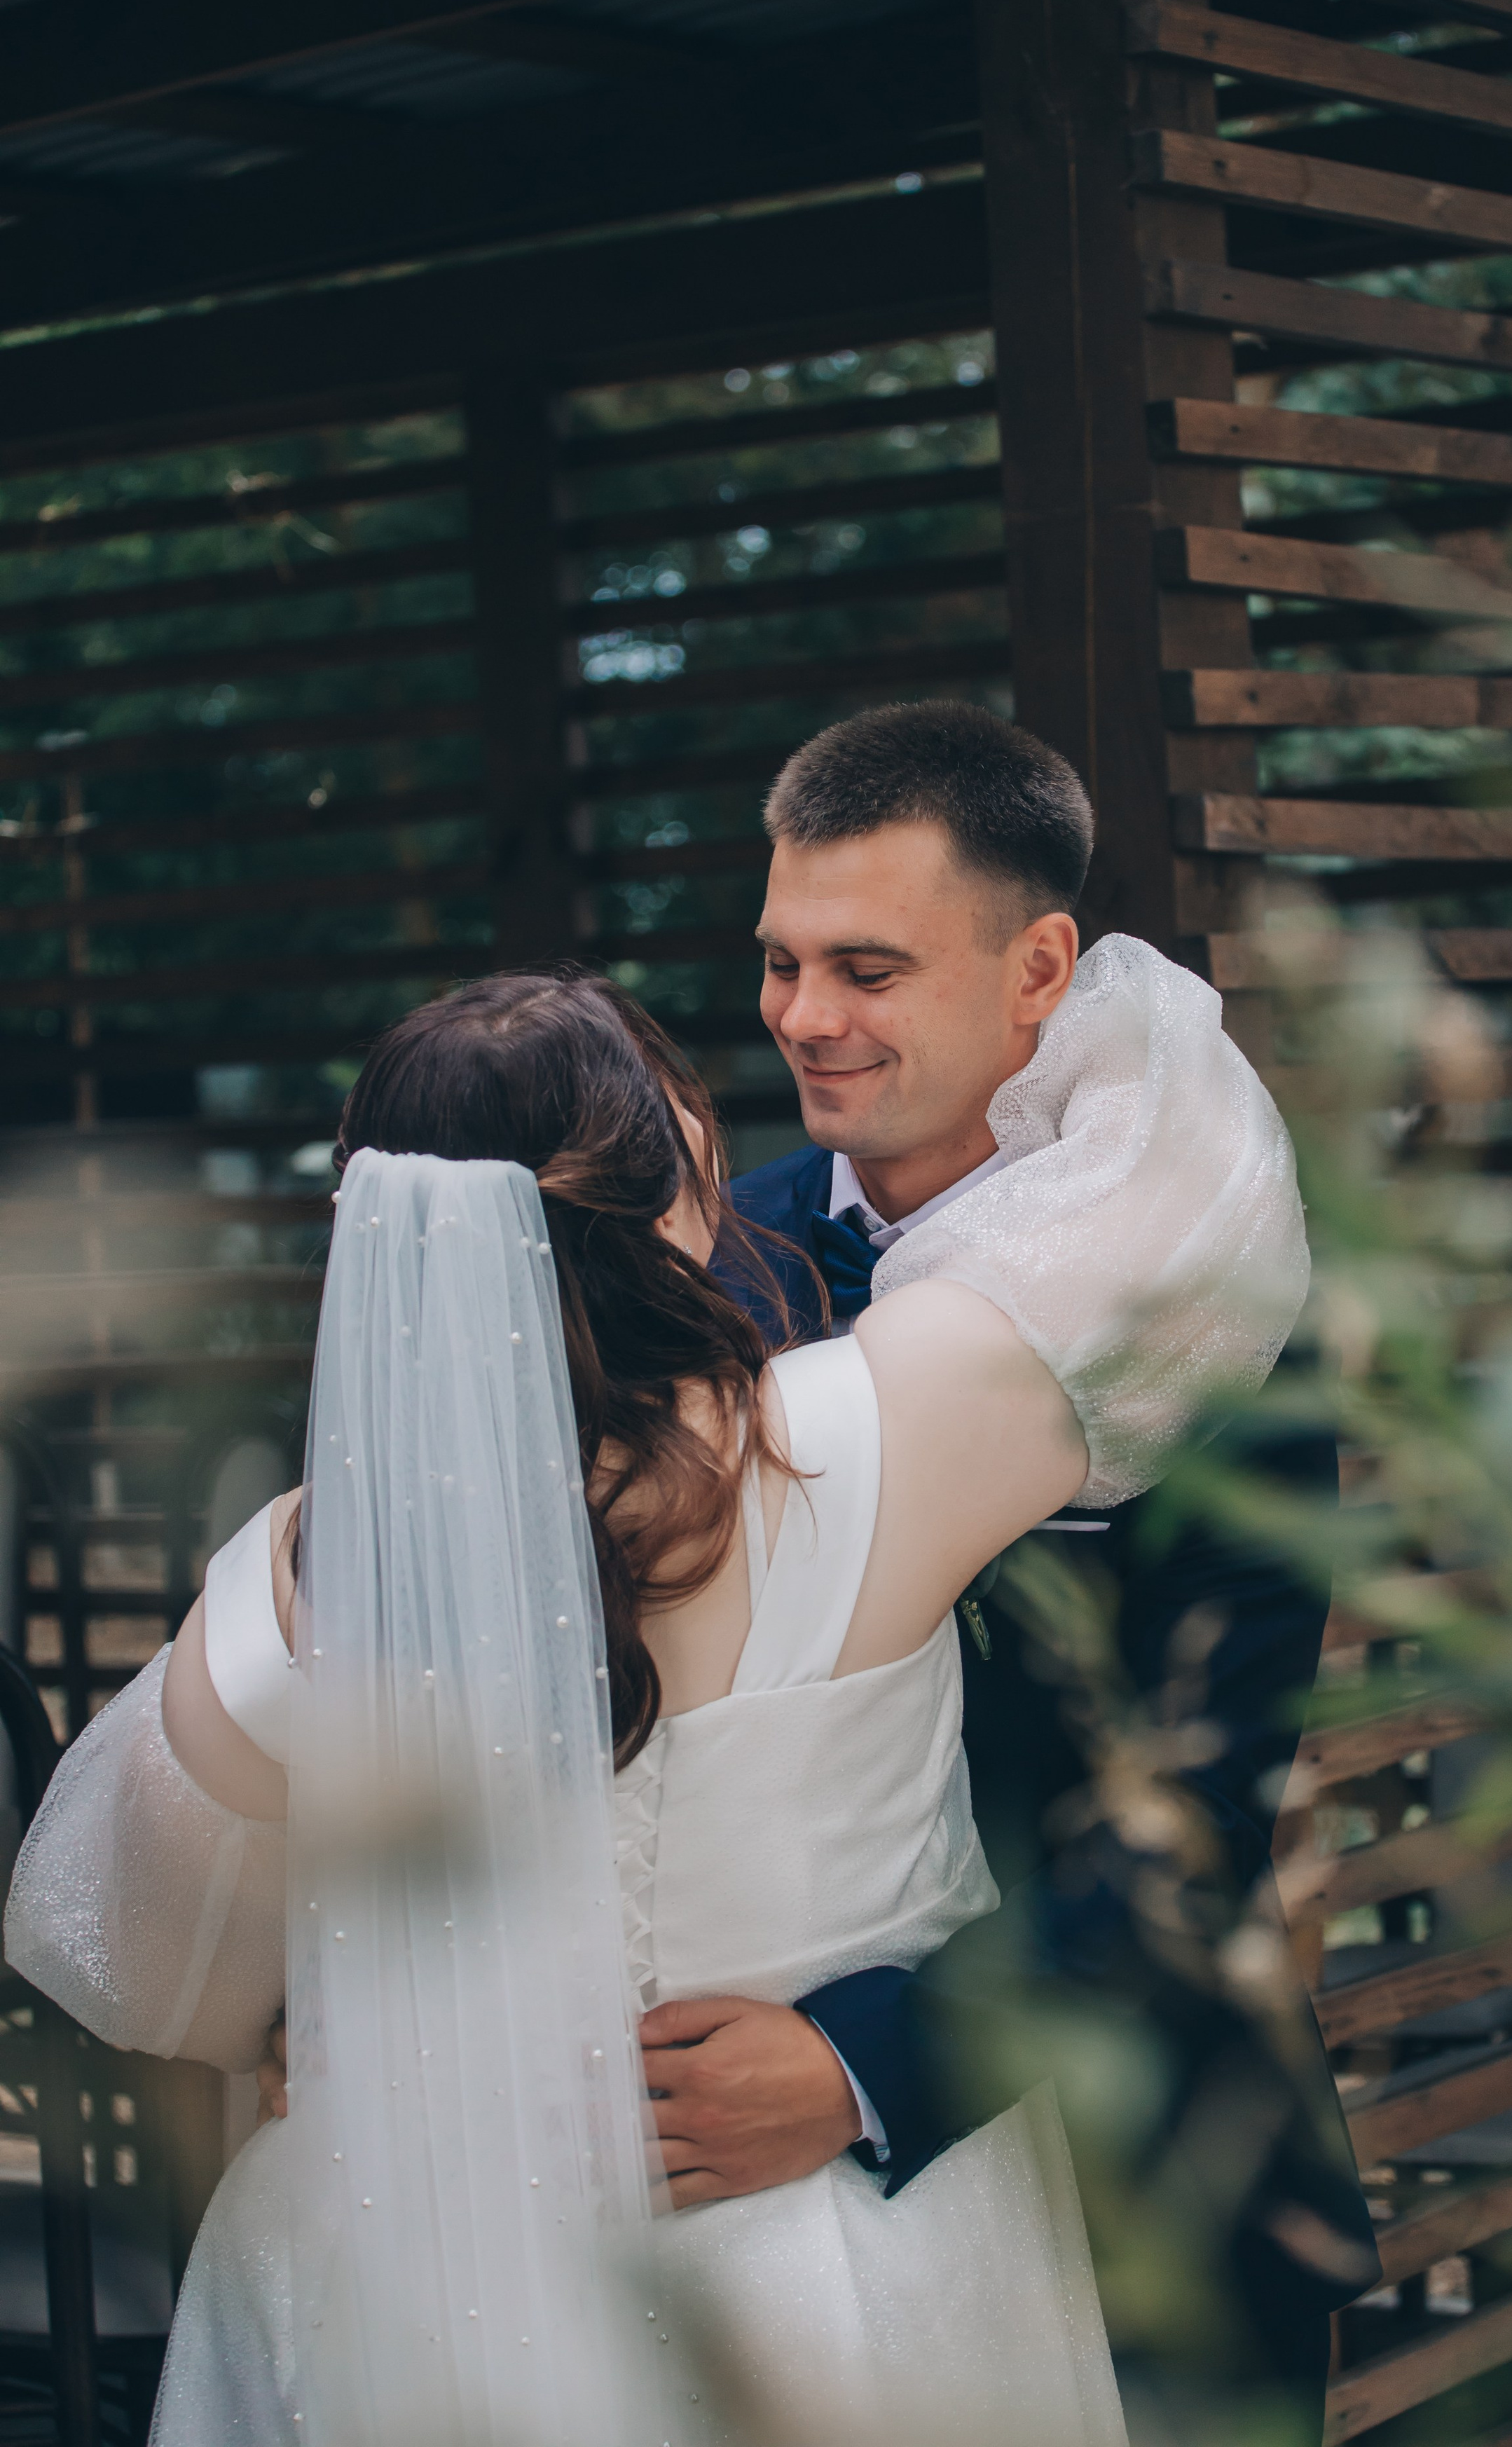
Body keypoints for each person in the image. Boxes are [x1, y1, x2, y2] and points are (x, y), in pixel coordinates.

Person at [4, 900, 1310, 2444]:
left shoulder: (282, 1589)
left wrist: (346, 2011)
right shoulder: (872, 1439)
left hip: (375, 2272)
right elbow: (1189, 1181)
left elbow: (138, 1955)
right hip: (794, 2284)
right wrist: (1053, 987)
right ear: (689, 1181)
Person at [664, 704, 1380, 2436]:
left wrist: (858, 2070)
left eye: (868, 968)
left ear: (1037, 967)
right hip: (726, 2212)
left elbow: (1199, 1799)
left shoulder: (1206, 1310)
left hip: (1129, 2148)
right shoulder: (698, 1266)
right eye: (778, 964)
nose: (804, 1021)